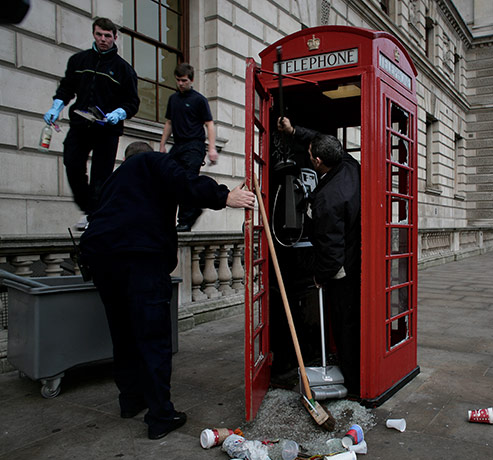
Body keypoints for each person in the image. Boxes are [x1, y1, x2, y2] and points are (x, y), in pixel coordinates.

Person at [80, 141, 255, 439]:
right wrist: (226, 196)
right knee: (153, 338)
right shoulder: (153, 162)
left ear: (125, 158)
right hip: (140, 257)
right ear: (149, 154)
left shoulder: (116, 178)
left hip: (101, 258)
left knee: (123, 334)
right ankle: (160, 415)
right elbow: (185, 182)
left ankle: (130, 400)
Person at [277, 117, 361, 395]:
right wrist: (295, 131)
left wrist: (319, 276)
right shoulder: (350, 165)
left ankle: (352, 381)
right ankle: (354, 371)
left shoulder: (326, 200)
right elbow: (324, 137)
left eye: (311, 154)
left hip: (341, 270)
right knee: (351, 322)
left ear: (317, 162)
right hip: (357, 258)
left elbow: (331, 249)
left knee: (344, 324)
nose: (310, 155)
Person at [44, 17, 139, 230]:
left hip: (107, 128)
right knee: (72, 161)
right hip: (81, 122)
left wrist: (118, 113)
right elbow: (67, 87)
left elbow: (133, 102)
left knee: (101, 173)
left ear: (115, 37)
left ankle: (94, 215)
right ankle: (89, 207)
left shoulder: (124, 70)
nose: (103, 39)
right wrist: (56, 107)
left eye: (107, 36)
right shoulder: (79, 61)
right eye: (99, 35)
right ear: (94, 35)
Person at [159, 63, 219, 232]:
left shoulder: (199, 100)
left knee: (187, 179)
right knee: (169, 178)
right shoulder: (173, 99)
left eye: (184, 80)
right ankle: (196, 205)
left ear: (191, 80)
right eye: (178, 80)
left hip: (194, 145)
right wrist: (163, 144)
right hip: (178, 145)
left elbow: (209, 124)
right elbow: (169, 122)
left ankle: (184, 220)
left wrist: (212, 148)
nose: (181, 84)